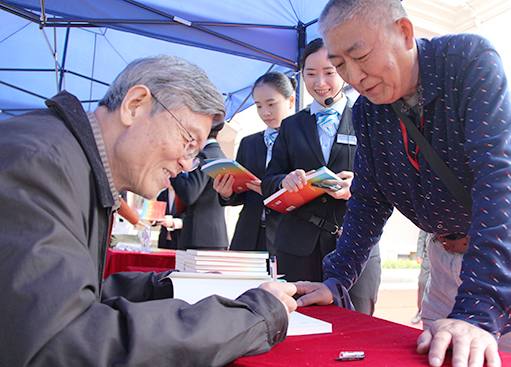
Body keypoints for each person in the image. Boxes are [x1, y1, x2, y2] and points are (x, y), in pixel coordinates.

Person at [0, 55, 298, 367]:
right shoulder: (39, 166)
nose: (187, 163)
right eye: (188, 141)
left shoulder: (66, 160)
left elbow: (71, 297)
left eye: (196, 151)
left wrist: (176, 284)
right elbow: (63, 341)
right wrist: (248, 319)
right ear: (135, 105)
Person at [294, 0, 511, 366]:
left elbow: (502, 179)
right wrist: (336, 279)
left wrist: (479, 309)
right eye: (341, 65)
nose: (355, 77)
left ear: (405, 33)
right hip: (443, 261)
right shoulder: (366, 111)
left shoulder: (466, 60)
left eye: (360, 55)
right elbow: (367, 200)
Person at [262, 38, 381, 315]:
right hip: (298, 245)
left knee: (358, 324)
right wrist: (284, 181)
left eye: (329, 71)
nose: (320, 82)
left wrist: (358, 187)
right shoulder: (291, 125)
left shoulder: (369, 118)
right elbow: (268, 183)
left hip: (355, 244)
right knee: (298, 323)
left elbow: (390, 183)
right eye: (310, 74)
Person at [213, 71, 295, 255]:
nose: (265, 112)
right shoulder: (249, 143)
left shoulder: (302, 141)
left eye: (271, 104)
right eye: (258, 106)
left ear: (290, 101)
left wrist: (269, 189)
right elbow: (242, 196)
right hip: (248, 235)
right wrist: (227, 193)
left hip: (286, 236)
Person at [171, 122, 229, 250]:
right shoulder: (221, 155)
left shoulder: (204, 155)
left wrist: (174, 172)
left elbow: (189, 194)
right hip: (217, 237)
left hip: (198, 237)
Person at [154, 185, 184, 250]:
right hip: (164, 239)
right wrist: (153, 219)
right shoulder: (162, 195)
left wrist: (173, 222)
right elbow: (156, 217)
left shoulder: (184, 195)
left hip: (180, 238)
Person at [412, 229, 430, 324]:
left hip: (446, 253)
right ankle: (420, 311)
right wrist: (419, 254)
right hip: (428, 255)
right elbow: (422, 236)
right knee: (422, 282)